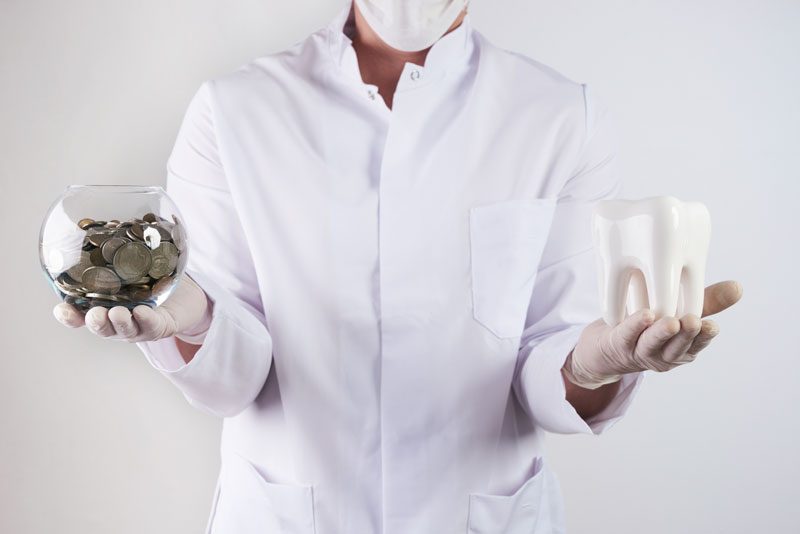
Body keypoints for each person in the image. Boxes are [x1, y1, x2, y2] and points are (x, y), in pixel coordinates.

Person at [53, 1, 743, 532]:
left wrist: (599, 360)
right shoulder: (233, 111)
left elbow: (545, 369)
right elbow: (239, 377)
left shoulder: (560, 116)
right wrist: (192, 319)